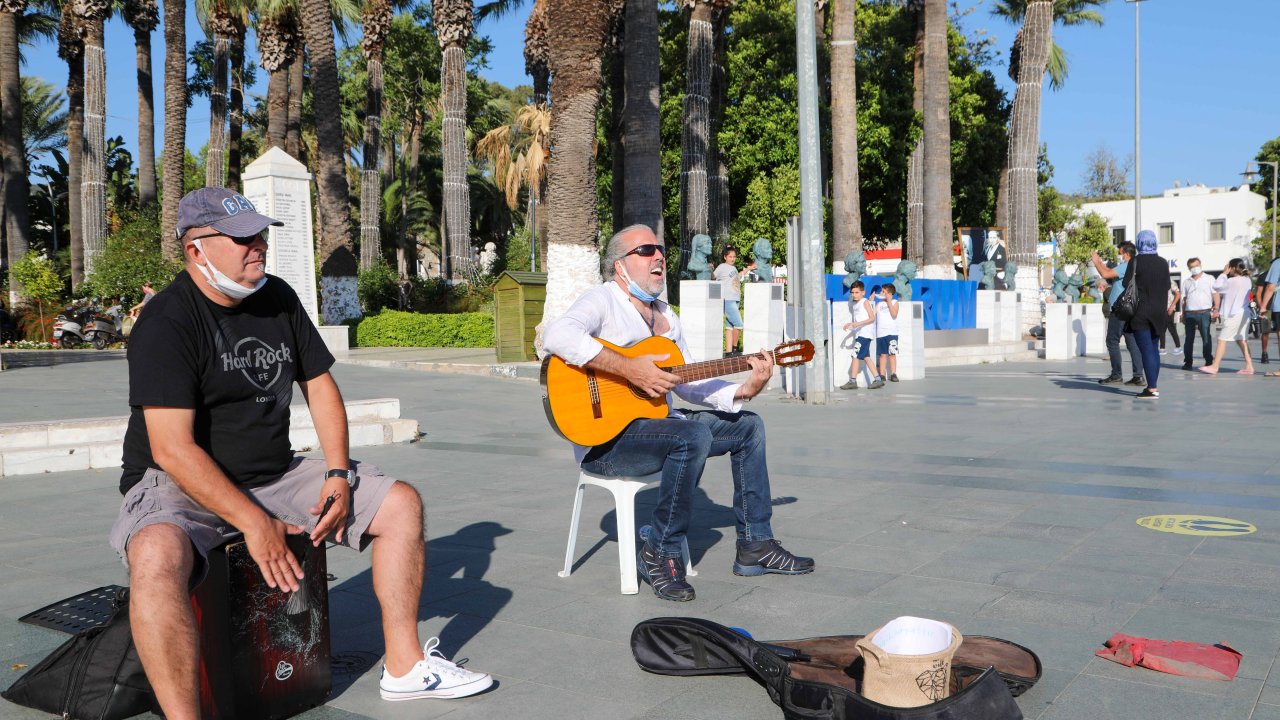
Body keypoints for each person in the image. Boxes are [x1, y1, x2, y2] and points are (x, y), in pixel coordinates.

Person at [109, 187, 491, 717]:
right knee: (154, 555)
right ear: (196, 248)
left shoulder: (278, 297)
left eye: (260, 234)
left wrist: (337, 472)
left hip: (272, 472)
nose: (257, 246)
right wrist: (253, 523)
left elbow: (321, 386)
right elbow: (172, 450)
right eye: (242, 238)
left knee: (401, 504)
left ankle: (404, 668)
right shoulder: (167, 320)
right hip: (180, 483)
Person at [542, 224, 814, 602]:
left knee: (748, 428)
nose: (659, 257)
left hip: (659, 429)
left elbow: (687, 382)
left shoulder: (667, 316)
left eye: (660, 250)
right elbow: (557, 336)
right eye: (646, 250)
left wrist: (745, 388)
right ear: (620, 266)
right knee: (692, 436)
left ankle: (756, 544)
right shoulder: (601, 301)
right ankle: (660, 550)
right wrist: (629, 368)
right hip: (606, 442)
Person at [1122, 230, 1172, 399]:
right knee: (1154, 349)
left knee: (1146, 351)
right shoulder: (1163, 263)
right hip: (1159, 312)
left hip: (1140, 312)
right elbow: (1166, 286)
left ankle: (1152, 388)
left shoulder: (1136, 262)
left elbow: (1125, 283)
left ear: (1139, 243)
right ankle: (1153, 386)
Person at [1090, 242, 1145, 387]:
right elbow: (1109, 271)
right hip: (1131, 310)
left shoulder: (1126, 265)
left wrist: (1096, 262)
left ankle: (1116, 375)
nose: (1119, 256)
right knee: (1132, 342)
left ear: (1126, 254)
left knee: (1112, 341)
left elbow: (1105, 274)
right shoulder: (1133, 266)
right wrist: (1101, 263)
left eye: (1120, 253)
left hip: (1120, 310)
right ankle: (1138, 376)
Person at [1199, 258, 1256, 376]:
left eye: (1228, 267)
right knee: (1241, 340)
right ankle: (1249, 366)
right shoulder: (1247, 280)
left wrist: (1224, 274)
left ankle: (1215, 366)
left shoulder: (1231, 281)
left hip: (1235, 314)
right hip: (1244, 313)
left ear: (1233, 268)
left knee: (1222, 340)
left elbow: (1216, 286)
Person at [840, 281, 881, 390]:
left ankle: (852, 381)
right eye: (852, 292)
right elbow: (857, 321)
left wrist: (856, 324)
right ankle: (878, 380)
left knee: (855, 355)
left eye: (857, 292)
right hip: (861, 334)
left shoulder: (865, 302)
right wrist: (851, 326)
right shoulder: (856, 304)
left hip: (865, 333)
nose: (854, 294)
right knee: (866, 357)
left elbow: (872, 318)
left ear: (863, 292)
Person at [712, 247, 753, 355]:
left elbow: (738, 277)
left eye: (734, 256)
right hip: (728, 299)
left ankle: (729, 353)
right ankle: (735, 349)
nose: (732, 259)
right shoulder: (722, 267)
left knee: (729, 327)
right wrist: (710, 269)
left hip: (735, 299)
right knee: (739, 324)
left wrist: (748, 269)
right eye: (730, 256)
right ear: (725, 257)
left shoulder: (733, 268)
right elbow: (713, 276)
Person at [1180, 257, 1215, 370]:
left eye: (1196, 266)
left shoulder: (1209, 278)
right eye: (1192, 267)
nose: (1195, 269)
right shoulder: (1186, 282)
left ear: (1200, 265)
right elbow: (1184, 299)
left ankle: (1209, 361)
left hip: (1204, 312)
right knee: (1188, 339)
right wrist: (1183, 313)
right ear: (1189, 268)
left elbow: (1215, 294)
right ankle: (1188, 362)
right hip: (1190, 313)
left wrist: (1216, 309)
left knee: (1206, 337)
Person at [874, 284, 900, 383]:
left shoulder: (895, 302)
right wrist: (872, 301)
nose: (881, 293)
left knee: (892, 354)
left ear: (889, 293)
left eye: (883, 292)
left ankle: (893, 373)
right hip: (881, 333)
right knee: (882, 355)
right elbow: (872, 314)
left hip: (892, 332)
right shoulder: (879, 304)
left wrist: (889, 300)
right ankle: (882, 374)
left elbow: (894, 314)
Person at [1257, 255, 1280, 364]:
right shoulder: (1263, 276)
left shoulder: (1277, 266)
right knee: (1265, 332)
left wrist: (1262, 307)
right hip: (1269, 308)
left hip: (1276, 306)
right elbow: (1258, 293)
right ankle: (1264, 353)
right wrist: (1263, 306)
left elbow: (1270, 288)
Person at [1160, 284, 1181, 355]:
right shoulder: (1158, 280)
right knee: (1162, 329)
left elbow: (1178, 294)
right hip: (1161, 309)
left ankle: (1178, 346)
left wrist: (1172, 307)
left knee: (1171, 328)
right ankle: (1162, 348)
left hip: (1169, 309)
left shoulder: (1170, 282)